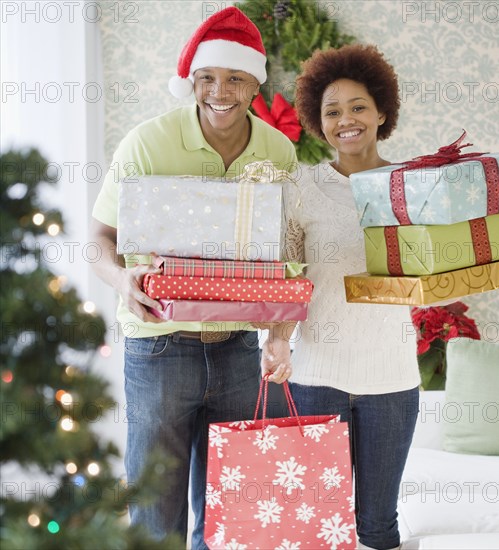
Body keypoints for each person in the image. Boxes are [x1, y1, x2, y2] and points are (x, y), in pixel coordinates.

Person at [90, 7, 296, 548]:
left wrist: (279, 336)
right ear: (191, 82)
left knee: (231, 518)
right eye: (207, 78)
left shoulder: (279, 151)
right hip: (158, 351)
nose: (219, 91)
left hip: (237, 349)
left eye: (234, 78)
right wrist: (122, 282)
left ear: (256, 83)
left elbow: (288, 253)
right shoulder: (146, 142)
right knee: (155, 520)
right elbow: (97, 241)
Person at [281, 44, 421, 550]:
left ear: (382, 111)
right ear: (319, 124)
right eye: (332, 111)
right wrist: (276, 341)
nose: (347, 120)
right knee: (320, 527)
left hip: (392, 380)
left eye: (358, 106)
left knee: (378, 527)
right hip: (316, 376)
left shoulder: (412, 187)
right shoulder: (302, 186)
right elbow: (287, 280)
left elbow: (440, 267)